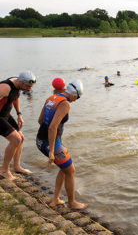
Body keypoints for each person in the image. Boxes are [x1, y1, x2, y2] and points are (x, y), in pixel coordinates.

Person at [36, 80, 88, 209]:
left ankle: (56, 200)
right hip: (51, 143)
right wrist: (52, 151)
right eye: (78, 97)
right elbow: (52, 127)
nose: (77, 100)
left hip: (40, 140)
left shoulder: (51, 98)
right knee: (71, 171)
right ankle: (72, 203)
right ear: (74, 94)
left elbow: (40, 121)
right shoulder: (65, 104)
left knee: (64, 169)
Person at [0, 71, 36, 180]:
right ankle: (4, 171)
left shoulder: (18, 84)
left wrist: (19, 114)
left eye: (31, 86)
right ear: (21, 82)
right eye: (28, 86)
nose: (29, 89)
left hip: (5, 114)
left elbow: (15, 98)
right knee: (15, 139)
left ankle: (16, 167)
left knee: (21, 138)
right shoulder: (4, 88)